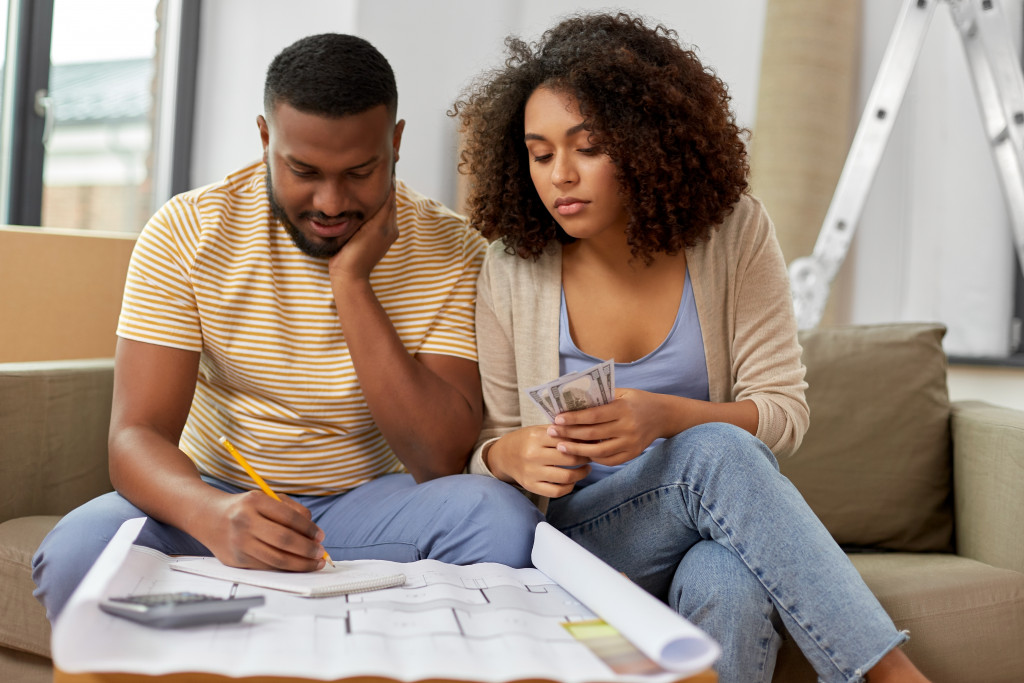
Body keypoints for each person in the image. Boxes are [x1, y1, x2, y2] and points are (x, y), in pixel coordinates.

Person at [451, 12, 930, 683]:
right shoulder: (513, 266)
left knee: (729, 581)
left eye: (586, 148)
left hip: (711, 527)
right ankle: (891, 673)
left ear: (647, 143)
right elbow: (484, 446)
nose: (560, 175)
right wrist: (512, 455)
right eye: (540, 152)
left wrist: (665, 416)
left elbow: (783, 413)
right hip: (585, 542)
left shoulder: (733, 234)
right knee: (717, 450)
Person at [32, 32, 543, 622]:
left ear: (395, 143)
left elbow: (438, 458)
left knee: (503, 524)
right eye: (303, 170)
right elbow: (135, 436)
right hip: (215, 493)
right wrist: (211, 515)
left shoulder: (453, 249)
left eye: (359, 171)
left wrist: (352, 285)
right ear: (265, 137)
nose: (329, 202)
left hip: (370, 504)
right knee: (76, 554)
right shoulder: (186, 232)